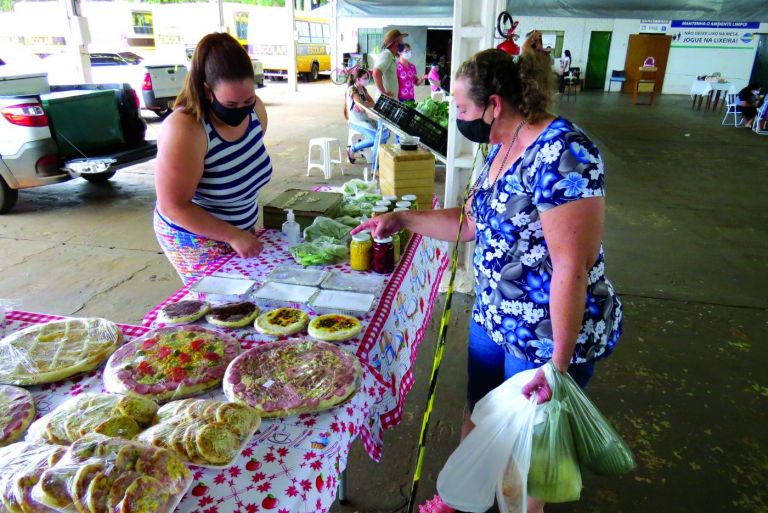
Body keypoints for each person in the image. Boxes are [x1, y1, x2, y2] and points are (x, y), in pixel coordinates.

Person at [353, 42, 622, 513]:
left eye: (461, 108)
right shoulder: (500, 145)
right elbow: (474, 223)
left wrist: (557, 367)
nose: (458, 117)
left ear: (493, 104)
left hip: (544, 332)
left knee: (529, 442)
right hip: (496, 314)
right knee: (480, 410)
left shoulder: (564, 152)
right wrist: (404, 220)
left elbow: (572, 267)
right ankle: (462, 497)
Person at [153, 32, 273, 284]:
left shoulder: (255, 110)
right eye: (230, 105)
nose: (241, 109)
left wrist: (238, 232)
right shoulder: (185, 129)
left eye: (248, 100)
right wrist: (231, 235)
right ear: (208, 91)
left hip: (240, 231)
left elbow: (241, 163)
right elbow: (173, 205)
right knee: (222, 302)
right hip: (195, 238)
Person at [344, 68, 388, 164]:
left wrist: (363, 104)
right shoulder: (352, 90)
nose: (367, 80)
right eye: (365, 78)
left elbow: (373, 103)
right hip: (355, 121)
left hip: (365, 119)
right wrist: (364, 104)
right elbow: (362, 108)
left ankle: (378, 154)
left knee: (385, 130)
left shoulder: (363, 89)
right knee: (375, 138)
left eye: (367, 78)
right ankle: (352, 149)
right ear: (358, 79)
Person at [372, 29, 407, 100]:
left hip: (389, 99)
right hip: (385, 100)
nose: (403, 43)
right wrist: (383, 94)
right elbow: (376, 73)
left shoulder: (390, 55)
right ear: (396, 42)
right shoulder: (387, 55)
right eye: (401, 40)